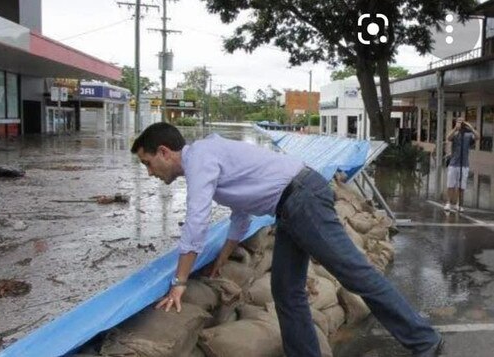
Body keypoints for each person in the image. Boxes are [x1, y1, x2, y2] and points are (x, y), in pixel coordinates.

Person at [130, 122, 443, 357]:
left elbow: (196, 223)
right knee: (286, 290)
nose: (149, 172)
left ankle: (425, 340)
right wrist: (224, 255)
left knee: (355, 274)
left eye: (147, 163)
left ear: (164, 153)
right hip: (291, 206)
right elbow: (241, 214)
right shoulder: (207, 156)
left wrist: (180, 281)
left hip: (301, 199)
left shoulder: (199, 160)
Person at [444, 117, 479, 212]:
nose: (461, 124)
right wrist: (456, 128)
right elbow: (448, 137)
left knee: (462, 186)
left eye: (462, 122)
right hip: (454, 163)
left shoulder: (468, 135)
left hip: (464, 164)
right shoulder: (454, 133)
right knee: (450, 184)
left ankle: (459, 204)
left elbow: (477, 137)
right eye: (459, 122)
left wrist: (471, 127)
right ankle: (448, 203)